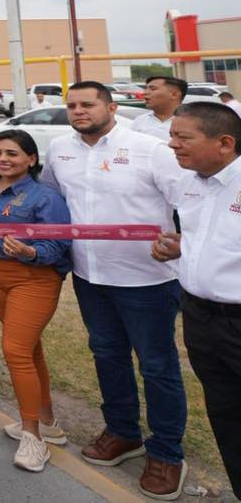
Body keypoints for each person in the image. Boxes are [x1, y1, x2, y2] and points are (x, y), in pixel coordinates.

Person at [41, 82, 188, 499]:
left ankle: (166, 452)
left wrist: (183, 241)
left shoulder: (151, 149)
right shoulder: (60, 150)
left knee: (157, 366)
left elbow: (191, 201)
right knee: (107, 355)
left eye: (88, 104)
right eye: (72, 105)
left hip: (148, 280)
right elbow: (52, 201)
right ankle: (123, 432)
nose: (78, 111)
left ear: (111, 107)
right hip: (90, 277)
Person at [153, 103, 241, 497]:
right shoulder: (191, 183)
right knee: (226, 414)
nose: (172, 145)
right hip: (200, 318)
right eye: (172, 135)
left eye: (183, 137)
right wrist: (182, 250)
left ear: (224, 143)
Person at [0, 129, 73, 473]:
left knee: (15, 350)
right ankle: (47, 421)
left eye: (12, 153)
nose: (3, 159)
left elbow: (59, 244)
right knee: (30, 350)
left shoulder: (46, 198)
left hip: (33, 278)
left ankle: (33, 437)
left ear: (31, 159)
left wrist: (30, 252)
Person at [132, 75, 188, 142]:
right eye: (146, 89)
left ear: (174, 94)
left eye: (153, 89)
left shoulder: (193, 120)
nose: (145, 93)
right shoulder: (140, 120)